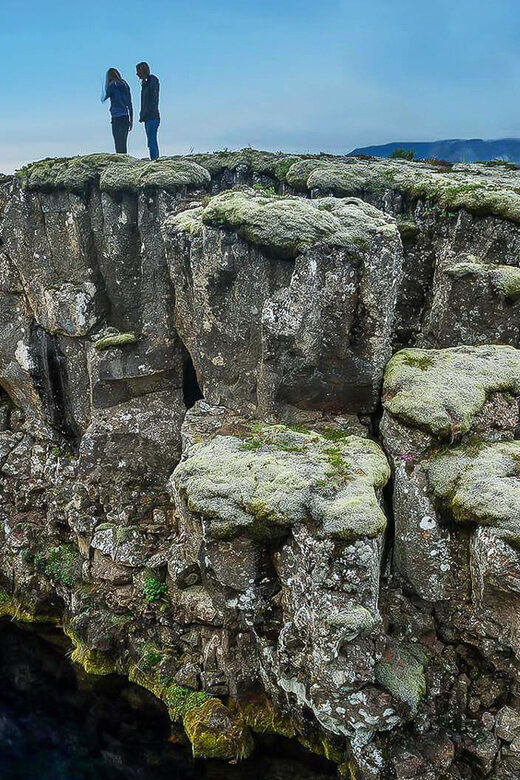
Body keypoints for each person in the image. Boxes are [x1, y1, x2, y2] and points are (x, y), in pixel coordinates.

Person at [101, 68, 133, 154]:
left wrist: (105, 86)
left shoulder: (112, 85)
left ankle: (120, 162)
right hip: (125, 116)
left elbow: (103, 97)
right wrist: (131, 119)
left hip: (116, 117)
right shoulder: (125, 84)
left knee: (118, 143)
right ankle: (125, 160)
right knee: (124, 142)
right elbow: (129, 103)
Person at [136, 62, 160, 159]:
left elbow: (153, 99)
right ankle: (154, 158)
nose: (137, 74)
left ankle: (155, 160)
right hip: (148, 117)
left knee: (152, 140)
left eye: (138, 71)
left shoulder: (152, 80)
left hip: (152, 116)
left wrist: (147, 112)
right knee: (150, 141)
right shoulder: (145, 83)